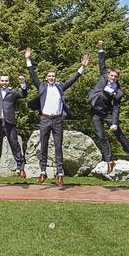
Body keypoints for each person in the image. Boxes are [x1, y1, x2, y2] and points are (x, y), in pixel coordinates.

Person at [26, 48, 89, 187]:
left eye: (53, 76)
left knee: (58, 147)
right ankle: (43, 172)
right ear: (46, 78)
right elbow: (32, 75)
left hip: (58, 120)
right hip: (45, 119)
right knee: (44, 146)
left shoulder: (60, 87)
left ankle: (60, 174)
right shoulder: (42, 87)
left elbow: (72, 80)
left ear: (56, 78)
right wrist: (28, 59)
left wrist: (82, 67)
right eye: (49, 76)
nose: (51, 78)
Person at [88, 41, 129, 174]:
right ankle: (110, 160)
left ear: (117, 78)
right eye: (111, 75)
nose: (113, 78)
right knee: (101, 136)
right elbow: (102, 63)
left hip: (107, 113)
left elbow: (116, 108)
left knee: (118, 134)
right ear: (108, 75)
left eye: (115, 76)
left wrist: (114, 122)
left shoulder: (118, 92)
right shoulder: (104, 76)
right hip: (95, 112)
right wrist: (101, 49)